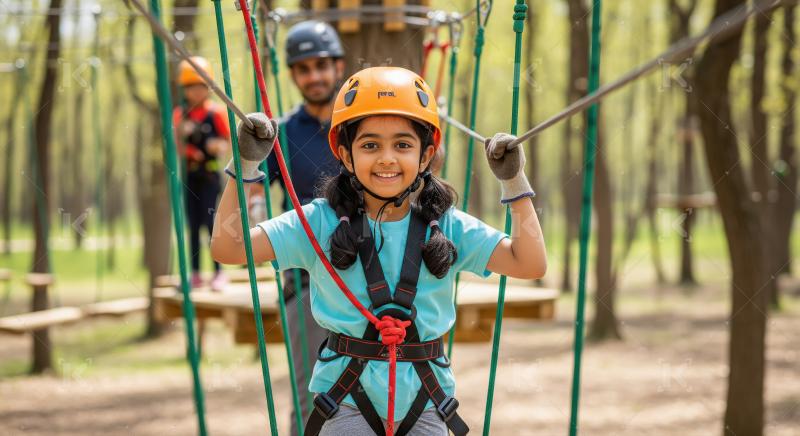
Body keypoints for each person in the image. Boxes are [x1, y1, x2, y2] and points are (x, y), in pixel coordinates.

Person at [211, 67, 547, 435]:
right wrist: (243, 166)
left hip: (427, 403)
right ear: (345, 154)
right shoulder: (317, 223)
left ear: (426, 155)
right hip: (345, 404)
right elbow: (229, 247)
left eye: (402, 145)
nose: (387, 158)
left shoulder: (448, 225)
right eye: (370, 145)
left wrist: (514, 184)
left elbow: (529, 262)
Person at [262, 20, 346, 435]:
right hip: (307, 280)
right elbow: (251, 199)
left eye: (320, 66)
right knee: (313, 398)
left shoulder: (361, 129)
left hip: (373, 279)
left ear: (338, 66)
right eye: (303, 68)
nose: (313, 76)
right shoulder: (280, 135)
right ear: (292, 74)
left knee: (387, 394)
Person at [173, 56, 230, 291]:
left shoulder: (215, 113)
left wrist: (213, 146)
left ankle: (219, 272)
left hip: (210, 177)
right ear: (185, 90)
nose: (196, 92)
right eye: (192, 88)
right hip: (190, 177)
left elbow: (226, 142)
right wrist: (187, 149)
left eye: (201, 87)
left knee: (210, 223)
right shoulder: (180, 115)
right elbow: (175, 144)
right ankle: (194, 273)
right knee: (193, 225)